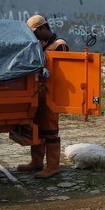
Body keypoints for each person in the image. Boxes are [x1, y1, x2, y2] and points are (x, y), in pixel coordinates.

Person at [17, 15, 69, 179]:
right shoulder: (41, 44)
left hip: (51, 96)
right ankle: (36, 162)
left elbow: (63, 73)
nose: (34, 36)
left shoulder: (59, 45)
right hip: (37, 94)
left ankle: (53, 167)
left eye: (35, 32)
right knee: (37, 130)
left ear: (43, 28)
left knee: (50, 131)